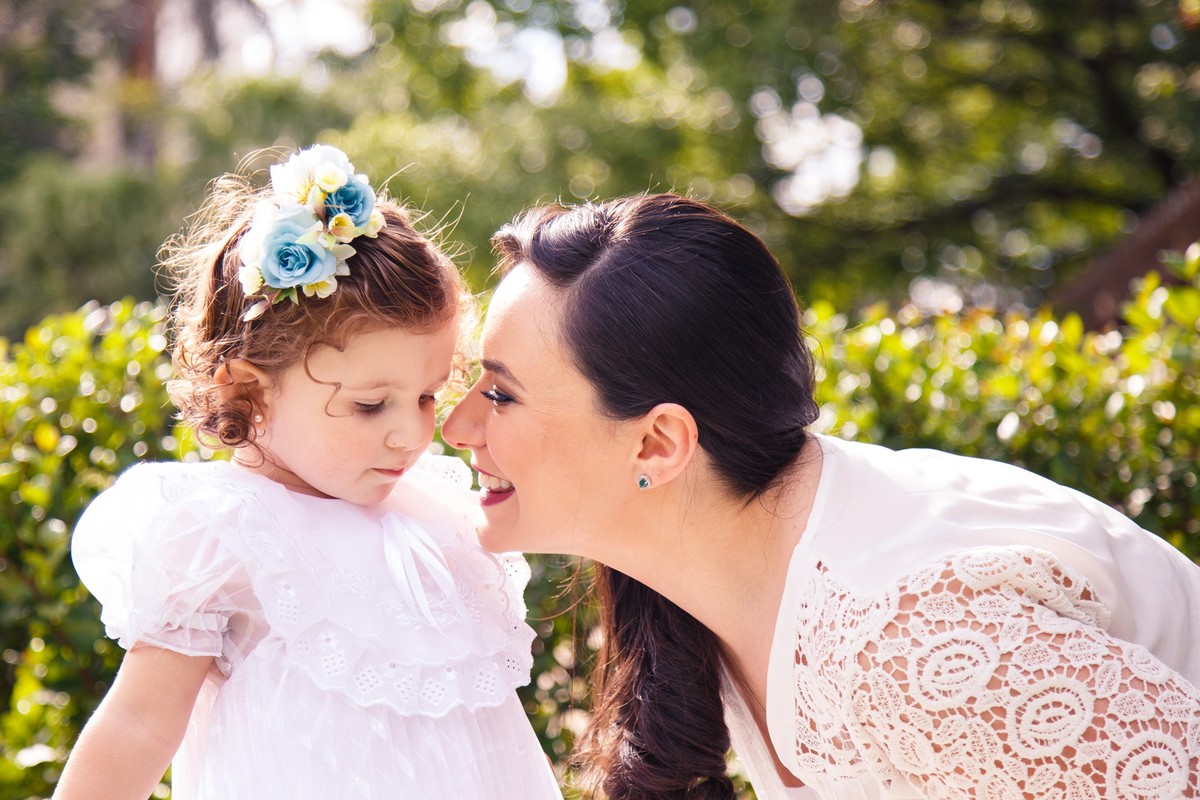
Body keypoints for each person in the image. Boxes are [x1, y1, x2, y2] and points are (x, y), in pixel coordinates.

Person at [442, 192, 1200, 800]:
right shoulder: (725, 583)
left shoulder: (918, 641)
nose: (457, 425)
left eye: (502, 394)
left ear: (658, 445)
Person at [55, 145, 562, 800]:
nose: (412, 432)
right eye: (370, 404)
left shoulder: (432, 519)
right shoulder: (225, 535)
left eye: (429, 395)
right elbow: (138, 726)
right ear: (248, 391)